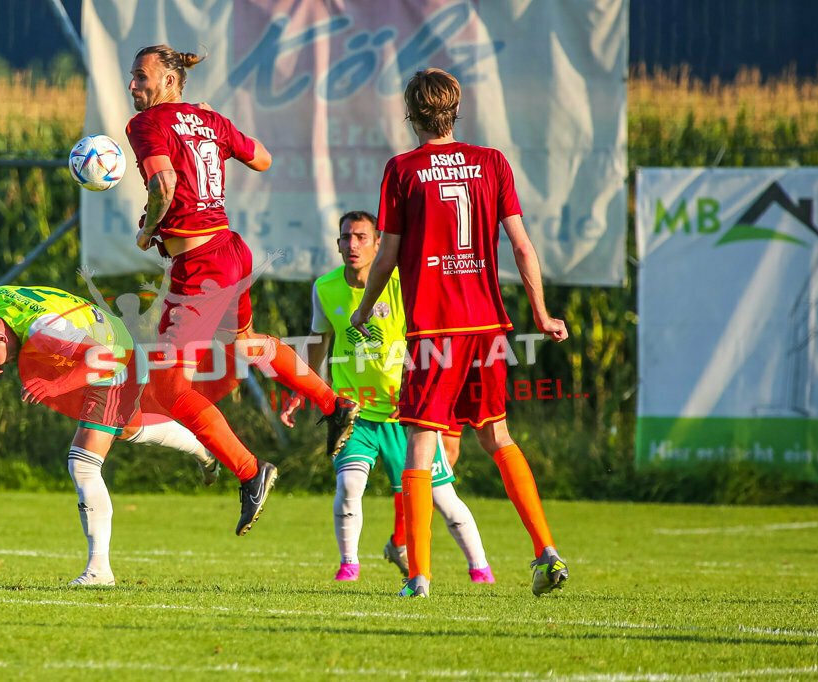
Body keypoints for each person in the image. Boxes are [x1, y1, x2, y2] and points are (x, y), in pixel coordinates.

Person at [350, 69, 570, 598]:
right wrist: (539, 312)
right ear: (455, 110)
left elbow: (387, 254)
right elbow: (520, 245)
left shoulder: (402, 169)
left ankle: (420, 577)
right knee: (498, 436)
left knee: (421, 446)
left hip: (437, 328)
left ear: (410, 113)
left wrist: (363, 311)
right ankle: (546, 551)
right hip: (487, 326)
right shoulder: (491, 162)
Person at [124, 44, 359, 536]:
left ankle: (251, 472)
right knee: (247, 345)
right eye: (132, 77)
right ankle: (333, 403)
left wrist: (148, 232)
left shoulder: (146, 125)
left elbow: (164, 183)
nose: (133, 87)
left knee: (167, 388)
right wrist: (214, 124)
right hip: (233, 251)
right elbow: (264, 159)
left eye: (142, 78)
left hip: (202, 267)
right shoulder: (208, 120)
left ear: (169, 81)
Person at [0, 284, 220, 586]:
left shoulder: (46, 330)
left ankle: (99, 571)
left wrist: (54, 387)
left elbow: (103, 359)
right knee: (128, 428)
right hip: (100, 347)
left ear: (0, 337)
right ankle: (202, 448)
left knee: (83, 463)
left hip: (117, 359)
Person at [281, 210, 495, 584]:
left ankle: (480, 569)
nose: (353, 245)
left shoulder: (401, 283)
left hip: (405, 415)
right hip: (354, 414)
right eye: (346, 237)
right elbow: (318, 342)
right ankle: (349, 566)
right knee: (349, 486)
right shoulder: (325, 288)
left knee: (443, 500)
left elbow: (430, 339)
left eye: (362, 237)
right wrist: (303, 389)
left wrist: (430, 391)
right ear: (337, 244)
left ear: (378, 244)